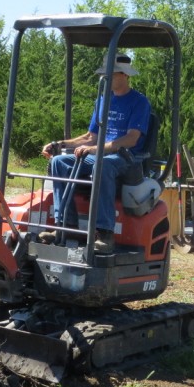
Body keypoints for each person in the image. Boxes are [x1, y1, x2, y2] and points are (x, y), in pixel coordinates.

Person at [40, 53, 151, 252]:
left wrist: (96, 149)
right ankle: (66, 225)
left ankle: (105, 232)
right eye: (104, 75)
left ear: (125, 75)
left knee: (103, 164)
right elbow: (91, 136)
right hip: (100, 154)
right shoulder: (102, 101)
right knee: (59, 162)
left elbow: (131, 138)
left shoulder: (139, 102)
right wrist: (59, 144)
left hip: (126, 159)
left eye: (111, 74)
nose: (106, 79)